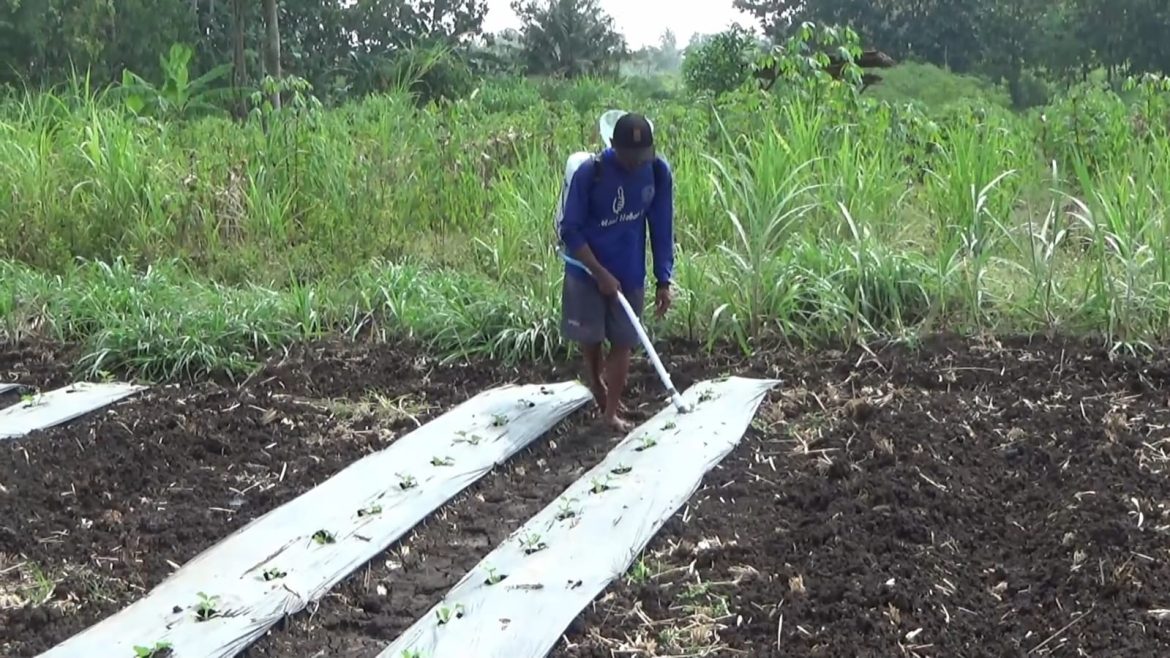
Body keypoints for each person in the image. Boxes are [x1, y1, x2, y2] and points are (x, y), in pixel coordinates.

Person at [557, 112, 674, 432]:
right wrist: (599, 273)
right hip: (585, 269)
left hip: (629, 272)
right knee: (591, 337)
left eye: (642, 156)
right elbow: (570, 230)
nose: (636, 163)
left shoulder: (657, 172)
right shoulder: (590, 173)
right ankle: (596, 385)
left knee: (623, 341)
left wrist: (663, 278)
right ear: (613, 147)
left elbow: (662, 227)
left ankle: (609, 414)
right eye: (628, 156)